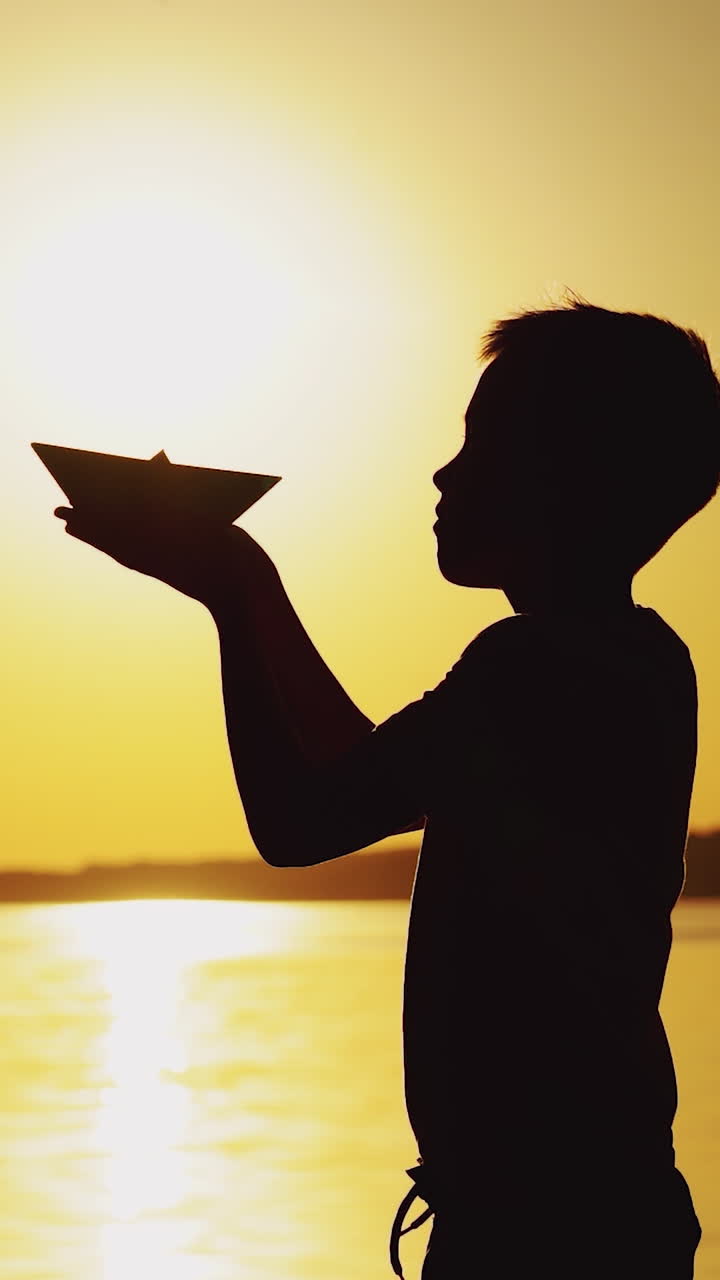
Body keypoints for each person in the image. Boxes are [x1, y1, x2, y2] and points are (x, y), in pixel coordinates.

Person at [54, 290, 720, 1278]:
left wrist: (233, 599)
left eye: (485, 441)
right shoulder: (639, 659)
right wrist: (248, 577)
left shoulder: (527, 670)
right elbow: (368, 769)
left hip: (546, 1225)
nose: (446, 471)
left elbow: (298, 819)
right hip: (598, 1200)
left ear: (574, 478)